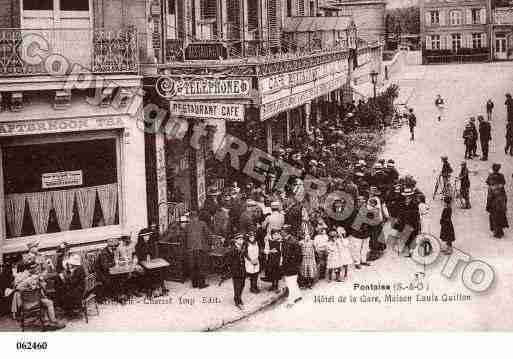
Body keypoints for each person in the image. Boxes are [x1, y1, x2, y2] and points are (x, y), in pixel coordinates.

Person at [14, 259, 65, 329]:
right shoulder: (30, 277)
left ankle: (47, 322)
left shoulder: (24, 275)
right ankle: (53, 322)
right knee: (49, 302)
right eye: (35, 268)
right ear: (30, 269)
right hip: (31, 302)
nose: (36, 269)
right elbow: (19, 287)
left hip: (27, 301)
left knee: (45, 299)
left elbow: (17, 287)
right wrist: (32, 286)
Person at [184, 211, 210, 289]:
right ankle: (201, 284)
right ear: (197, 217)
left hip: (190, 249)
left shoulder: (187, 226)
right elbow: (208, 234)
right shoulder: (202, 223)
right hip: (200, 248)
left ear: (190, 217)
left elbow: (184, 237)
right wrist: (208, 244)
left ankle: (194, 284)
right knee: (200, 266)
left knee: (193, 267)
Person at [281, 225, 303, 308]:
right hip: (288, 265)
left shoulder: (292, 241)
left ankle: (291, 301)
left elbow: (298, 255)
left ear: (286, 232)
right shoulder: (286, 240)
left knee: (291, 284)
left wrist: (296, 265)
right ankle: (298, 295)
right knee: (292, 282)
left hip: (291, 266)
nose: (281, 232)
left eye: (282, 231)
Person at [486, 164, 509, 238]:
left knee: (494, 217)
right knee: (501, 215)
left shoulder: (491, 187)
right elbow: (505, 197)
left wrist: (487, 206)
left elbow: (489, 197)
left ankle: (497, 232)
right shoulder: (501, 182)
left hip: (494, 204)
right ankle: (500, 231)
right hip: (501, 203)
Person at [95, 237, 119, 302]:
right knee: (115, 278)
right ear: (111, 246)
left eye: (116, 246)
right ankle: (114, 296)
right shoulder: (104, 253)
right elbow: (105, 266)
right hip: (100, 273)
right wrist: (114, 262)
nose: (116, 248)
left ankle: (116, 295)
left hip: (106, 272)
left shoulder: (110, 251)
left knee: (119, 277)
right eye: (114, 246)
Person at [228, 233, 246, 310]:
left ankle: (239, 297)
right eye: (239, 239)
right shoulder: (233, 249)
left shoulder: (241, 247)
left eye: (242, 239)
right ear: (235, 241)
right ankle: (237, 301)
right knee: (237, 286)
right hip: (236, 270)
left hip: (242, 269)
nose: (241, 241)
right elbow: (229, 261)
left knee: (242, 285)